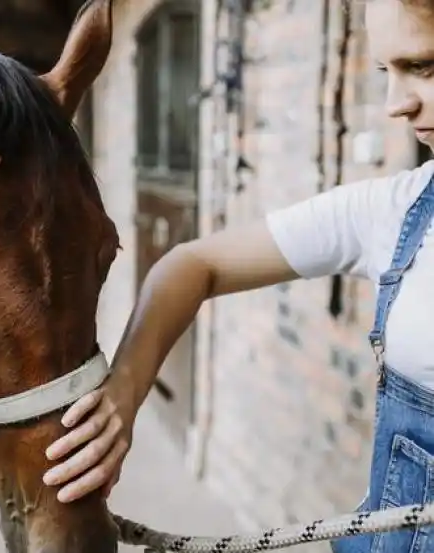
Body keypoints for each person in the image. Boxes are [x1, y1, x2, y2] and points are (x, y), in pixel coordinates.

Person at [44, 0, 434, 551]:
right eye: (385, 72)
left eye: (424, 66)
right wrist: (124, 393)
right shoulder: (394, 211)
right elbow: (192, 264)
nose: (398, 103)